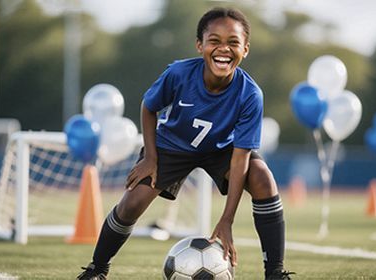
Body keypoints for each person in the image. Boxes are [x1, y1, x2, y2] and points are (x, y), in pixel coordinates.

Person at [77, 7, 293, 280]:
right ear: (200, 45)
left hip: (221, 150)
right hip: (173, 146)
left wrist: (227, 219)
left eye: (233, 42)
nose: (223, 49)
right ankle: (97, 269)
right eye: (214, 41)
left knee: (263, 177)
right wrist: (150, 158)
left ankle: (275, 273)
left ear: (245, 49)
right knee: (132, 203)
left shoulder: (250, 94)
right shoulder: (179, 73)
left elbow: (240, 158)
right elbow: (148, 107)